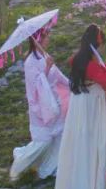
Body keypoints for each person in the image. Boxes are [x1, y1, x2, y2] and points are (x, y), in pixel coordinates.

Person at [52, 24, 106, 189]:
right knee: (91, 146)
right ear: (97, 43)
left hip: (81, 104)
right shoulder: (91, 64)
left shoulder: (77, 59)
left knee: (79, 144)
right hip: (91, 107)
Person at [10, 28, 71, 180]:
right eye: (46, 37)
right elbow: (35, 87)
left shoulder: (45, 56)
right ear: (38, 40)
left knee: (59, 137)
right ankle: (20, 162)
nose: (48, 39)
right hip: (41, 106)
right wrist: (47, 67)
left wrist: (72, 85)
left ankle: (51, 167)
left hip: (54, 102)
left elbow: (58, 76)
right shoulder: (30, 62)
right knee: (43, 141)